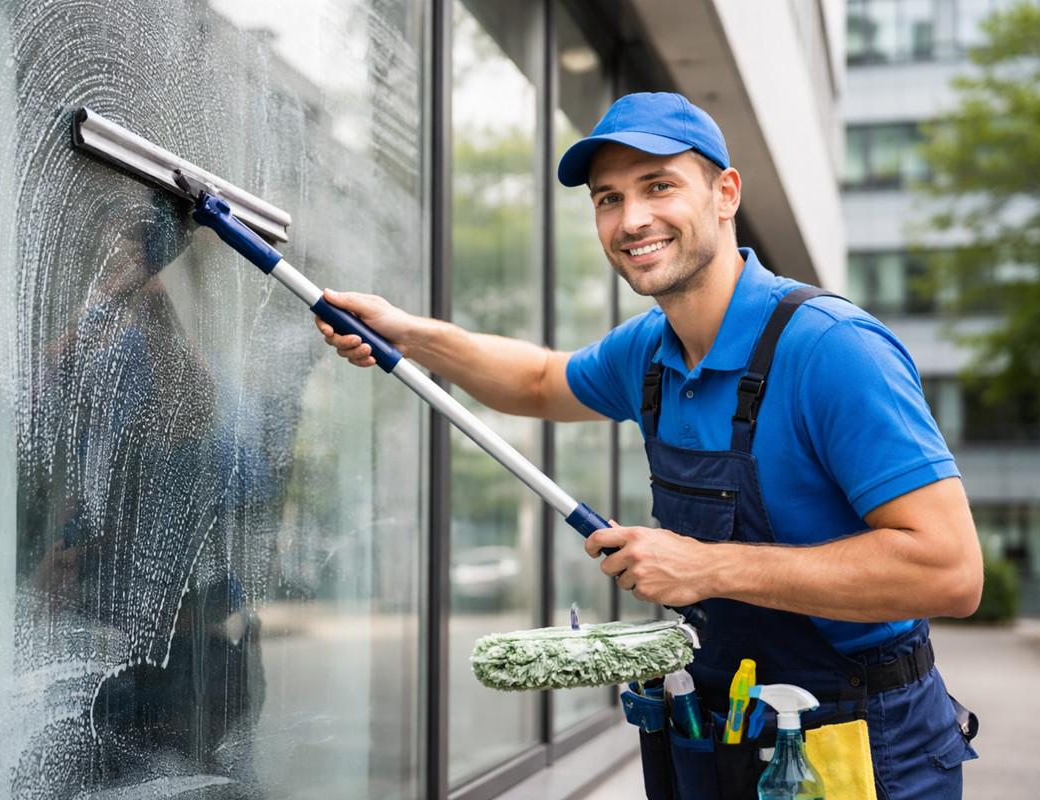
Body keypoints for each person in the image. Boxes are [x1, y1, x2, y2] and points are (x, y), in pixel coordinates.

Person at [315, 92, 983, 799]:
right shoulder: (649, 354)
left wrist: (709, 566)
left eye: (658, 186)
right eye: (609, 198)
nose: (631, 220)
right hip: (721, 729)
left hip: (860, 745)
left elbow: (951, 571)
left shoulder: (831, 351)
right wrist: (411, 335)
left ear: (725, 194)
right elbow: (541, 381)